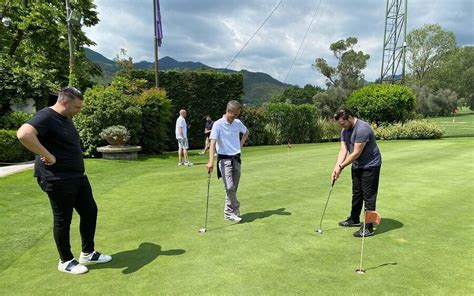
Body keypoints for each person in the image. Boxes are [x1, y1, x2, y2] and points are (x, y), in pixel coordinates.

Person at [16, 87, 112, 275]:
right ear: (64, 102)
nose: (79, 110)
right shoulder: (46, 116)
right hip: (57, 178)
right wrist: (47, 154)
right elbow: (24, 134)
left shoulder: (66, 117)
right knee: (63, 219)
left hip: (76, 176)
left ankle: (88, 252)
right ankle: (66, 260)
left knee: (90, 211)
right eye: (77, 107)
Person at [331, 108, 382, 237]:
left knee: (368, 196)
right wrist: (336, 168)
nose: (342, 126)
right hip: (357, 165)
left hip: (371, 165)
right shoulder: (344, 131)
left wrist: (342, 166)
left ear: (349, 118)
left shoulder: (362, 129)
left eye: (343, 123)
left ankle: (368, 227)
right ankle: (354, 219)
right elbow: (343, 150)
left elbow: (356, 153)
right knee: (357, 193)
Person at [207, 100, 249, 222]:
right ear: (228, 111)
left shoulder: (237, 123)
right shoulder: (218, 124)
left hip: (236, 159)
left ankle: (228, 213)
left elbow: (246, 132)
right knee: (230, 187)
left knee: (233, 188)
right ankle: (235, 208)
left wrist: (240, 146)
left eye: (237, 115)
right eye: (234, 114)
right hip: (224, 160)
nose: (236, 117)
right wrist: (211, 161)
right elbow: (212, 142)